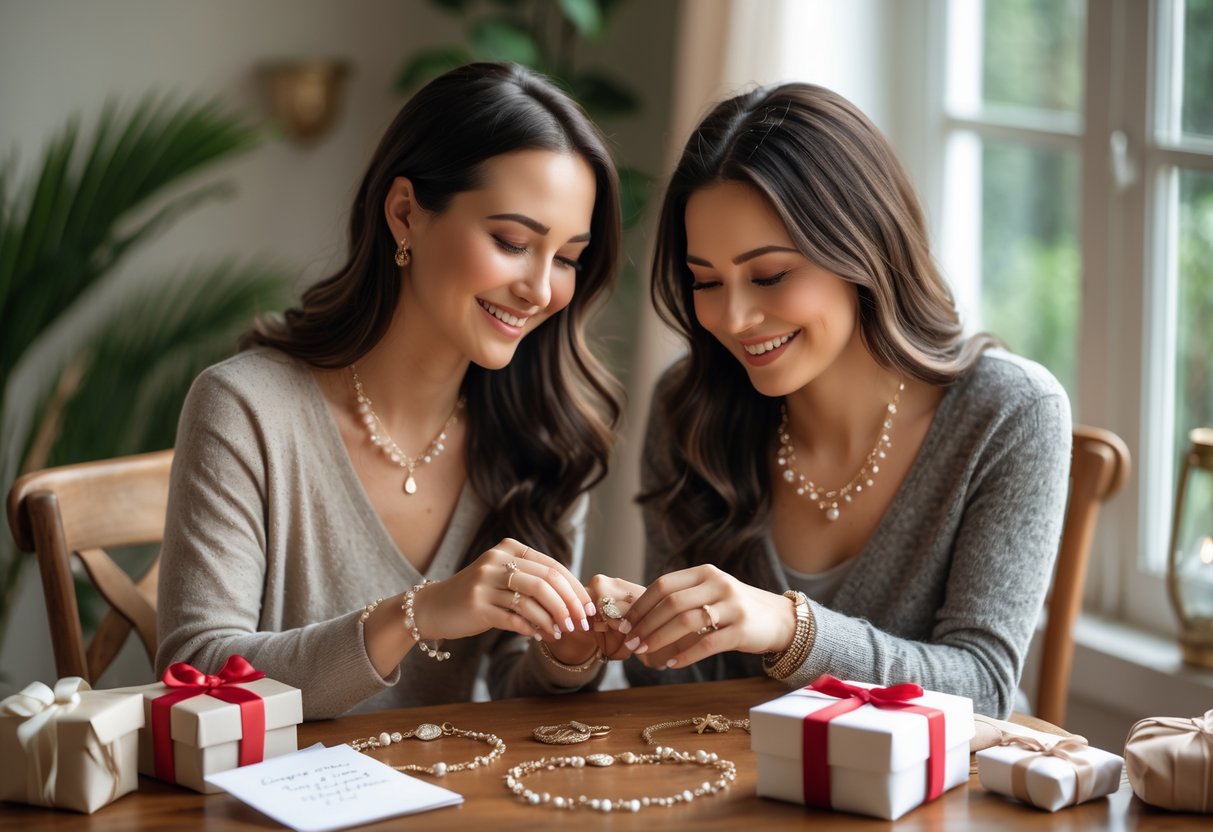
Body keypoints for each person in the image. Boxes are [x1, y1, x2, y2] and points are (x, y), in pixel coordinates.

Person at [157, 63, 640, 719]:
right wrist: (414, 614)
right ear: (405, 214)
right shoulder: (247, 410)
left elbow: (512, 689)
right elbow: (196, 671)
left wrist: (566, 653)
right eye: (511, 241)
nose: (539, 288)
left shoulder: (544, 434)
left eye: (566, 258)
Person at [619, 83, 1071, 718]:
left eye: (770, 275)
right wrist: (619, 635)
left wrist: (790, 628)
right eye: (706, 281)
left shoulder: (1011, 414)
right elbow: (666, 697)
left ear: (862, 245)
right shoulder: (690, 405)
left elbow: (985, 688)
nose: (737, 316)